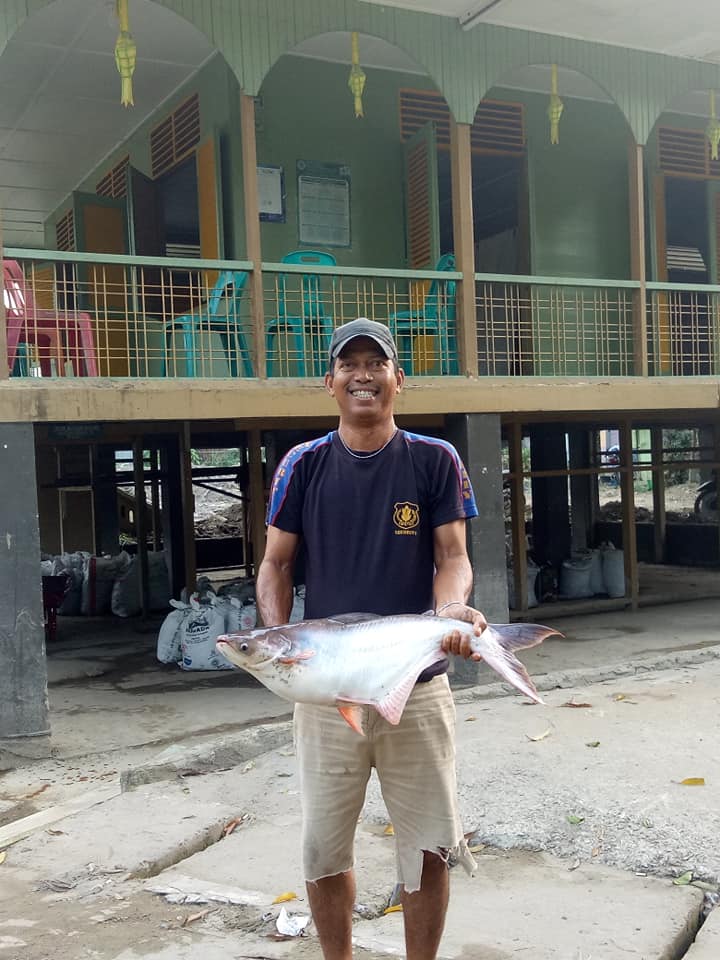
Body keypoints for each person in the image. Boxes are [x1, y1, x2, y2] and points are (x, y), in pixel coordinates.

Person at [256, 318, 487, 960]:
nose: (364, 375)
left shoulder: (435, 459)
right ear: (328, 382)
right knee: (324, 846)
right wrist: (278, 640)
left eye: (376, 364)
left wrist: (450, 614)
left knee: (429, 843)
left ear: (398, 381)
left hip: (418, 686)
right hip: (331, 693)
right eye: (349, 364)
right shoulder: (303, 466)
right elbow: (275, 564)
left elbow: (453, 556)